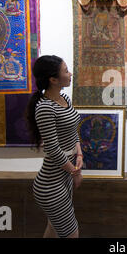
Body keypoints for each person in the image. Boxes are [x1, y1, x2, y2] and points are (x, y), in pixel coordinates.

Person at [25, 55, 83, 238]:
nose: (70, 73)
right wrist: (75, 171)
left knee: (53, 229)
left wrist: (79, 154)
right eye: (66, 71)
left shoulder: (64, 98)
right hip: (50, 185)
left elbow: (73, 129)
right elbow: (53, 149)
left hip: (64, 177)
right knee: (71, 234)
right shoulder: (44, 108)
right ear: (53, 79)